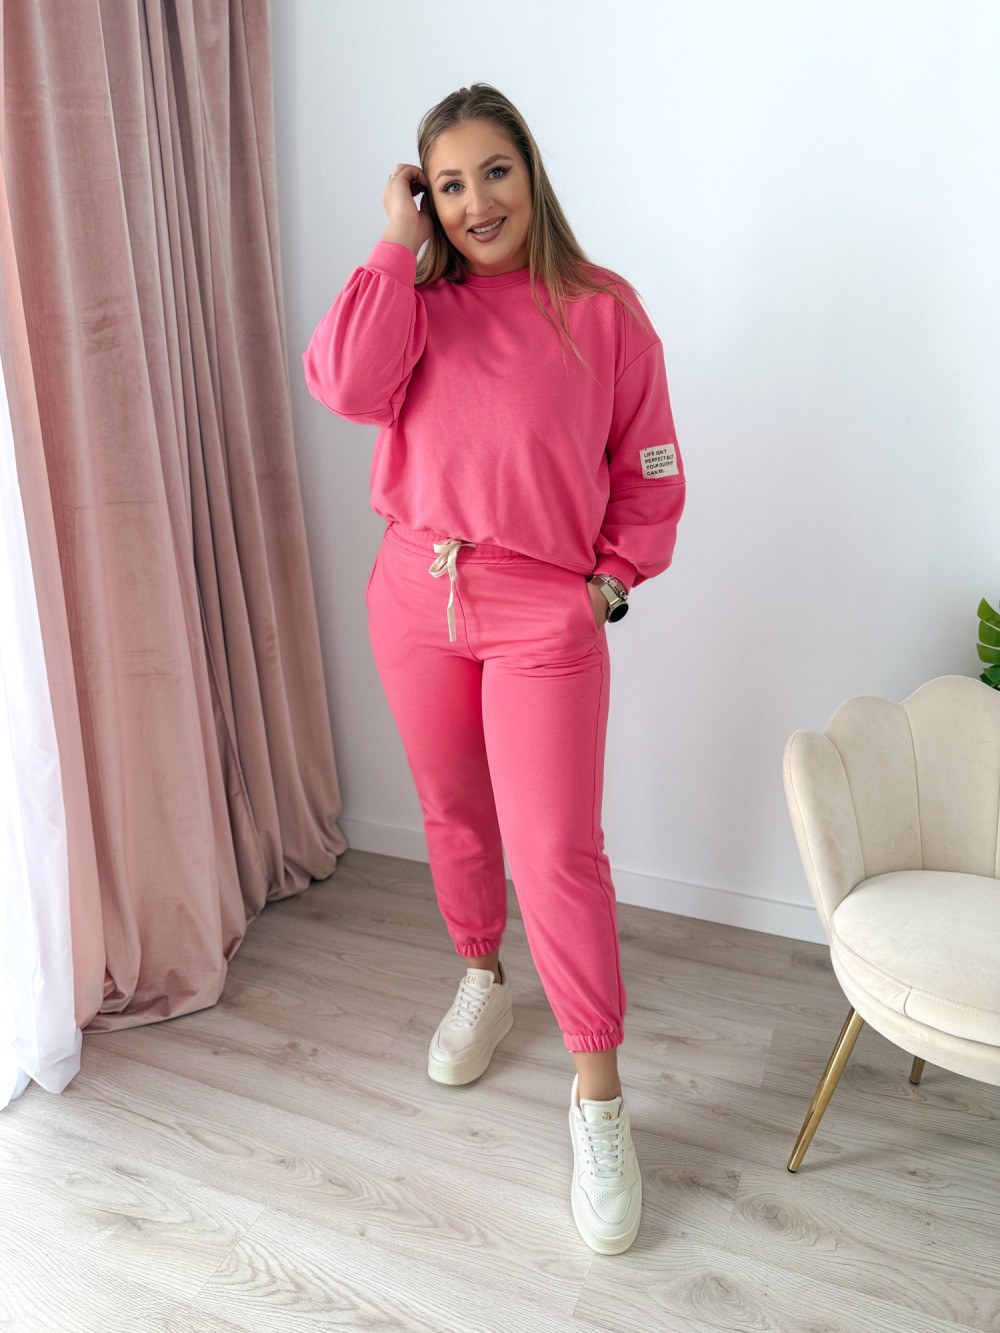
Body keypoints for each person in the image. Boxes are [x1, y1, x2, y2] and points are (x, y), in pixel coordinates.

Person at [303, 82, 685, 1256]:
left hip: (541, 607)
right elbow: (342, 386)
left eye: (494, 172)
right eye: (449, 183)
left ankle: (598, 1098)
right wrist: (391, 242)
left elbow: (651, 466)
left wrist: (608, 582)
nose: (477, 202)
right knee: (452, 810)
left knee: (556, 851)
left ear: (532, 170)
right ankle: (482, 975)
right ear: (426, 197)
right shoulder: (411, 303)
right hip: (414, 588)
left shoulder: (603, 310)